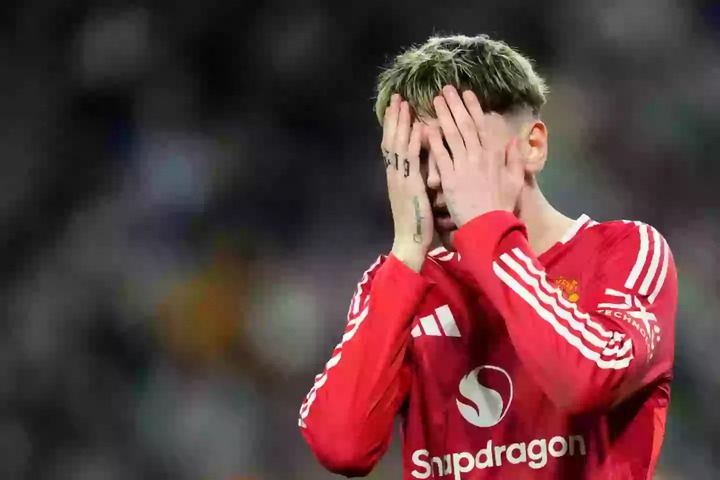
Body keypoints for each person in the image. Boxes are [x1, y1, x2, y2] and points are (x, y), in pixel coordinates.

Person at [298, 34, 677, 479]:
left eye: (457, 148)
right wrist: (404, 255)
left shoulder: (626, 252)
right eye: (417, 157)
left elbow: (587, 380)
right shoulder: (405, 284)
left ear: (532, 147)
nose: (435, 178)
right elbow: (340, 446)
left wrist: (486, 231)